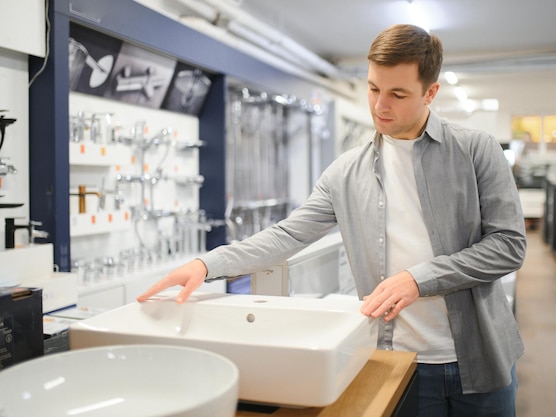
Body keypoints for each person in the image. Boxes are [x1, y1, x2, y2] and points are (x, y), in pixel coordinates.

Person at [138, 24, 526, 416]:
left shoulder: (477, 151)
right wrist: (208, 264)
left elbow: (508, 246)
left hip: (481, 361)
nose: (380, 106)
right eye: (374, 88)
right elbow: (287, 235)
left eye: (398, 94)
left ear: (430, 93)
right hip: (399, 362)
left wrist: (419, 278)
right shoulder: (345, 172)